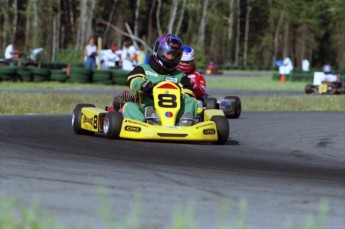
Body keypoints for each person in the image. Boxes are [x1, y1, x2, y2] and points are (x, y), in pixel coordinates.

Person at [122, 34, 198, 126]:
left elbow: (188, 93)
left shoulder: (180, 76)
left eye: (174, 55)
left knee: (192, 101)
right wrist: (143, 85)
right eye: (168, 53)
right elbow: (134, 81)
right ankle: (146, 122)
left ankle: (183, 122)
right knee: (128, 106)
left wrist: (178, 94)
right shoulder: (143, 69)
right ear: (158, 51)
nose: (171, 57)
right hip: (146, 109)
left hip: (174, 113)